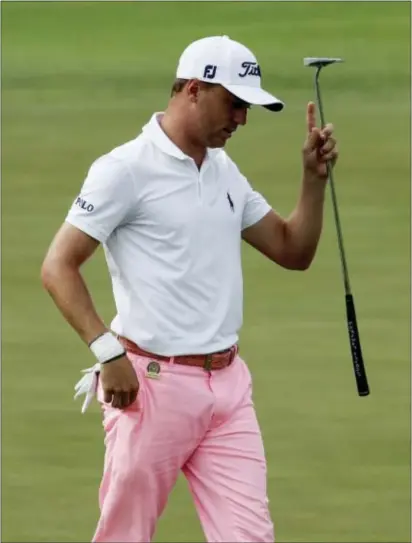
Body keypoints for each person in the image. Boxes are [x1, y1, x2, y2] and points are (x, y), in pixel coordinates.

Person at [41, 35, 338, 543]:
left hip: (228, 390)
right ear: (195, 89)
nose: (241, 119)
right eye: (235, 103)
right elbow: (58, 266)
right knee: (125, 535)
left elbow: (293, 251)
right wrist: (107, 352)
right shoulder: (125, 170)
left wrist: (312, 180)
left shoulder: (224, 172)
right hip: (150, 387)